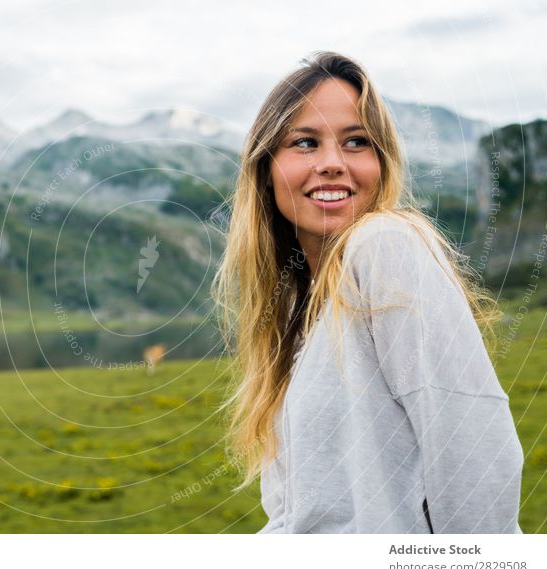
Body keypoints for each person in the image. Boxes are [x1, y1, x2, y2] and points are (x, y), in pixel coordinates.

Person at [211, 51, 524, 533]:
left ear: (381, 160)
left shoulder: (385, 247)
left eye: (357, 141)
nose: (333, 163)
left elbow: (473, 448)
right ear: (266, 166)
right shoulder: (298, 306)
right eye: (305, 143)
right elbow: (302, 515)